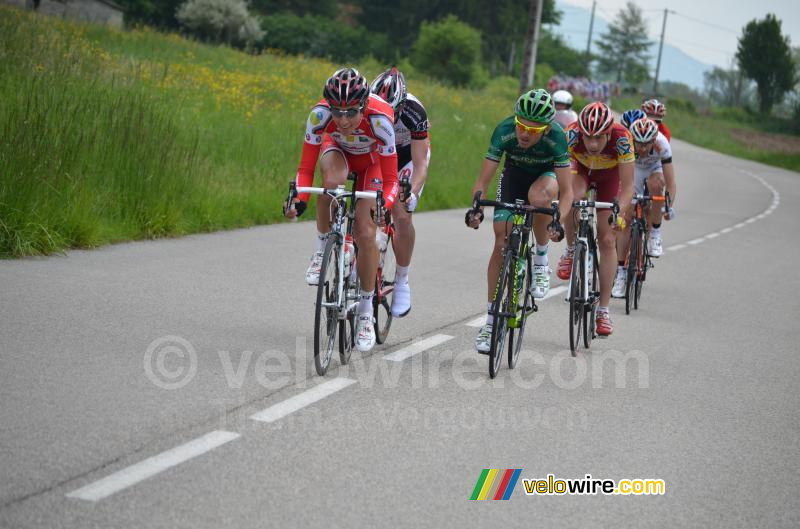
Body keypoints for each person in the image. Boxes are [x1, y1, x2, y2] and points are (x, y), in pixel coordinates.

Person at [284, 68, 399, 352]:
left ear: (364, 106)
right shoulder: (319, 117)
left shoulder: (381, 120)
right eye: (338, 112)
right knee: (331, 184)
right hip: (337, 151)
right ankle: (322, 249)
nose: (344, 120)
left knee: (364, 232)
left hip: (371, 164)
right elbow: (304, 169)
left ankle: (364, 313)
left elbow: (392, 180)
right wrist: (298, 201)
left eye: (351, 113)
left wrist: (385, 205)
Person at [465, 89, 572, 353]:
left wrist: (558, 220)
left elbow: (568, 192)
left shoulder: (557, 137)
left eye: (533, 130)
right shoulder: (504, 130)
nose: (525, 134)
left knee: (538, 197)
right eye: (521, 126)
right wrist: (476, 207)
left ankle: (540, 261)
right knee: (501, 239)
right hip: (514, 175)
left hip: (545, 176)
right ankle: (491, 323)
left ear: (546, 129)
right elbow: (483, 181)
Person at [557, 102, 634, 336]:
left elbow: (629, 186)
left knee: (607, 240)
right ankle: (572, 249)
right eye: (588, 137)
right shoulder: (572, 133)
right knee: (573, 197)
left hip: (609, 178)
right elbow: (562, 177)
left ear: (609, 133)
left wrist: (619, 211)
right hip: (580, 171)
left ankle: (603, 310)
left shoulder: (622, 138)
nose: (591, 144)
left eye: (598, 138)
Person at [370, 67, 430, 318]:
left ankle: (402, 279)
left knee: (402, 213)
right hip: (376, 155)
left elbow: (420, 165)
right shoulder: (367, 105)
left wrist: (411, 193)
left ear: (401, 106)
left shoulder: (415, 113)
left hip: (406, 157)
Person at [611, 117, 677, 296]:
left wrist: (667, 207)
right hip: (634, 170)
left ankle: (655, 232)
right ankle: (621, 273)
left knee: (657, 185)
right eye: (638, 143)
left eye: (646, 144)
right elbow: (620, 178)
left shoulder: (662, 145)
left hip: (654, 168)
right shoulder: (626, 143)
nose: (641, 147)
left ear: (653, 140)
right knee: (626, 219)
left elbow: (670, 184)